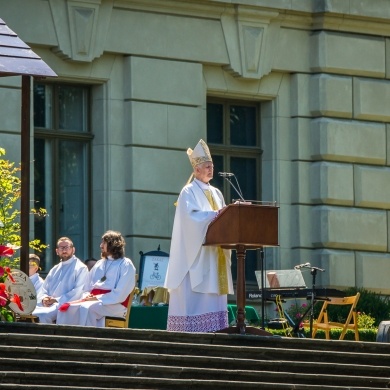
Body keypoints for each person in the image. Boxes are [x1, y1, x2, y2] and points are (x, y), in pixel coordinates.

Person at [164, 139, 233, 332]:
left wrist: (225, 215)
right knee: (196, 299)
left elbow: (224, 218)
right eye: (207, 166)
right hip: (196, 257)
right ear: (196, 170)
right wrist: (216, 215)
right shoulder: (188, 192)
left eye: (212, 166)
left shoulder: (217, 193)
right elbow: (190, 219)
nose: (211, 169)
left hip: (214, 254)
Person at [56, 230, 136, 327]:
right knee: (67, 308)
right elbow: (87, 287)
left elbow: (121, 293)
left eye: (104, 243)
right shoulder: (99, 264)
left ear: (113, 244)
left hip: (115, 305)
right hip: (95, 301)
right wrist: (87, 296)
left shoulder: (125, 264)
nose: (101, 246)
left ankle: (89, 339)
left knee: (88, 308)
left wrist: (96, 298)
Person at [32, 237, 89, 324]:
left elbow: (78, 291)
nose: (64, 250)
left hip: (63, 304)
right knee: (28, 313)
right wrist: (44, 298)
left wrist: (56, 300)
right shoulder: (54, 269)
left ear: (73, 250)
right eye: (61, 248)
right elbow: (44, 288)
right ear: (57, 251)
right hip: (48, 304)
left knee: (42, 315)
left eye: (67, 247)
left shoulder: (81, 268)